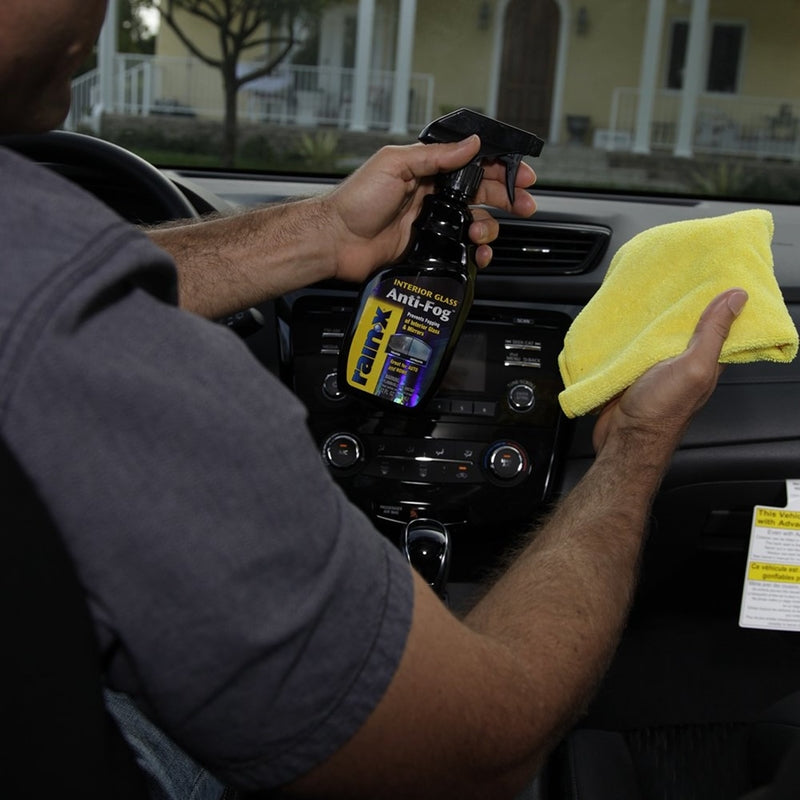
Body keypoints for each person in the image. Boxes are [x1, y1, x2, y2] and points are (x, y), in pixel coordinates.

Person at [0, 1, 748, 798]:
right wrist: (634, 445)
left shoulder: (36, 254)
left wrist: (324, 234)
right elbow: (471, 752)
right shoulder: (96, 361)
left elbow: (39, 276)